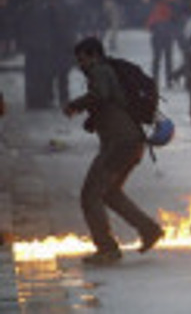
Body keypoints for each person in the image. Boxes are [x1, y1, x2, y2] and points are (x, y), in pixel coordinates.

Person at [62, 37, 164, 265]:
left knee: (90, 195)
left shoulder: (100, 70)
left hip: (120, 144)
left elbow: (100, 95)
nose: (81, 65)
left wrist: (75, 105)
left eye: (83, 59)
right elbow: (109, 101)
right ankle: (149, 230)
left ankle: (107, 248)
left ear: (94, 56)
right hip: (131, 143)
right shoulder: (108, 71)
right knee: (110, 193)